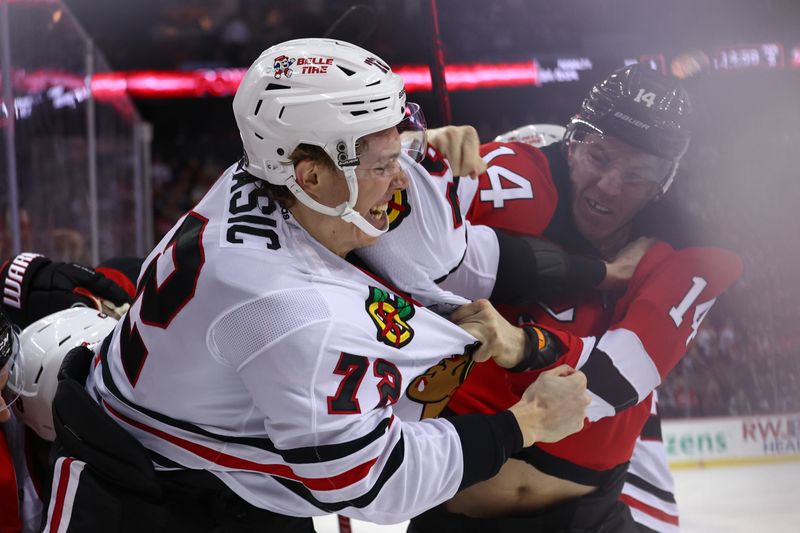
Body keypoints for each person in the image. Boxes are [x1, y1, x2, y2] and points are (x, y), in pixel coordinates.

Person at [41, 38, 590, 533]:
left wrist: (409, 144)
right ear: (309, 177)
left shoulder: (256, 173)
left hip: (192, 454)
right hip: (154, 501)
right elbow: (370, 479)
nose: (400, 178)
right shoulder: (294, 311)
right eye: (384, 163)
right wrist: (526, 423)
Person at [357, 64, 742, 532]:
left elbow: (614, 380)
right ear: (574, 141)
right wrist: (414, 165)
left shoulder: (686, 248)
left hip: (590, 518)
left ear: (665, 181)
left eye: (638, 175)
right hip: (455, 512)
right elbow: (378, 239)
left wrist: (521, 345)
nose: (610, 186)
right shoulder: (508, 176)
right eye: (599, 157)